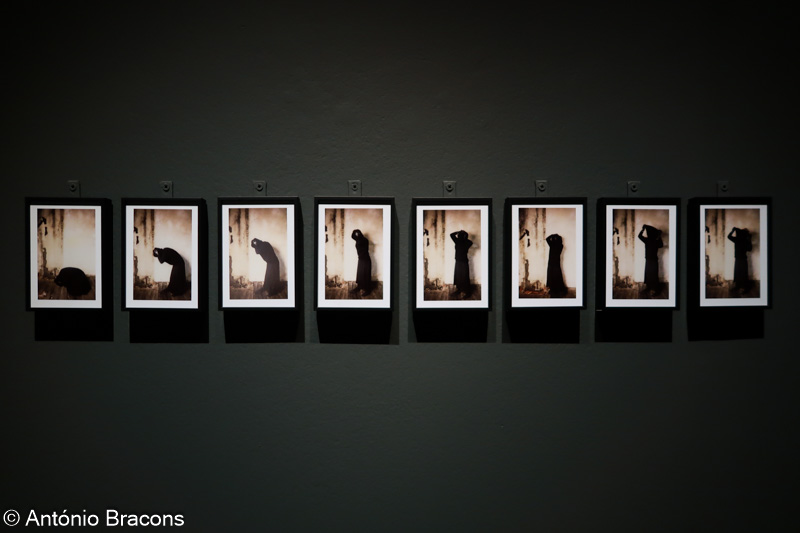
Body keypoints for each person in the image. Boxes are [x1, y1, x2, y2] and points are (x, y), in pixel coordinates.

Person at [638, 224, 663, 294]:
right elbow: (661, 245)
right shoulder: (651, 240)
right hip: (649, 260)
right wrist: (659, 236)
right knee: (648, 274)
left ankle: (656, 290)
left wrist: (643, 229)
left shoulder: (649, 240)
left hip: (653, 260)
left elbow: (639, 236)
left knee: (653, 275)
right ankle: (648, 287)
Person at [727, 227, 752, 292]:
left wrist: (733, 231)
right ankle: (738, 286)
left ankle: (744, 287)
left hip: (741, 259)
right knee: (739, 273)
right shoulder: (742, 240)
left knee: (741, 273)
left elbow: (749, 249)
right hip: (740, 259)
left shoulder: (739, 240)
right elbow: (750, 249)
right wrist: (749, 239)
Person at [451, 230, 473, 298]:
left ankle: (467, 292)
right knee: (458, 276)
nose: (458, 236)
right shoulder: (458, 241)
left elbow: (452, 235)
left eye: (460, 235)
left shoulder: (465, 242)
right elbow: (451, 235)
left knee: (465, 277)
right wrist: (463, 233)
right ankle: (459, 289)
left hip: (464, 262)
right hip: (458, 261)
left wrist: (459, 232)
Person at [545, 234, 567, 298]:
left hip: (551, 263)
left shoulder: (552, 244)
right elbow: (547, 239)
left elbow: (547, 239)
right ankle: (557, 289)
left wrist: (552, 235)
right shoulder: (560, 246)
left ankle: (553, 289)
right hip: (556, 263)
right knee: (557, 275)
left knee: (552, 275)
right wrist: (556, 236)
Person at [351, 229, 372, 296]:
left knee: (366, 275)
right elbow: (352, 237)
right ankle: (359, 287)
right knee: (360, 274)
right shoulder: (357, 240)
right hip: (361, 259)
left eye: (358, 233)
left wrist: (357, 234)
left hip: (366, 260)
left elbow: (360, 241)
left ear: (360, 233)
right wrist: (355, 233)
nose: (357, 235)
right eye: (356, 234)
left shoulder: (364, 240)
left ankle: (368, 290)